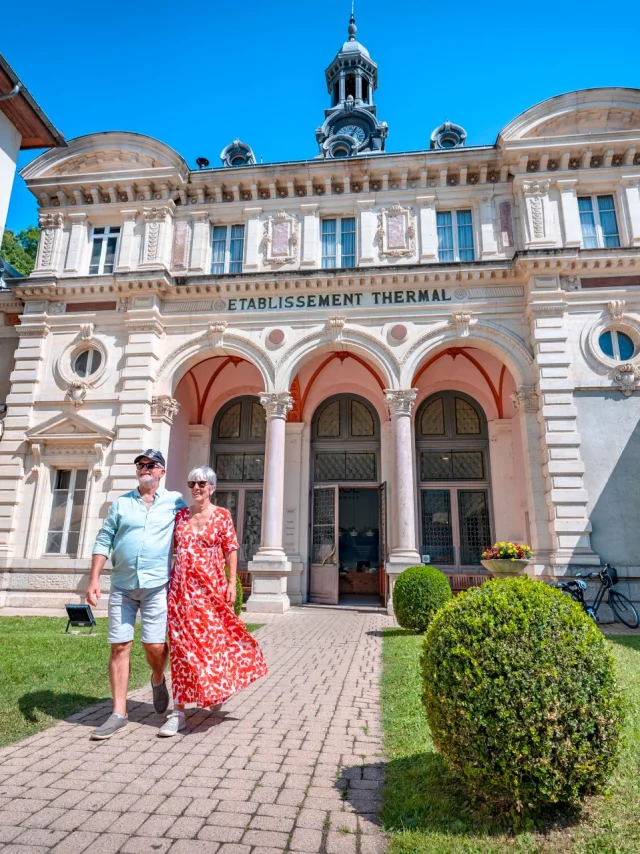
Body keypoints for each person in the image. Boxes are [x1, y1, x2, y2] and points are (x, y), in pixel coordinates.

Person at [159, 465, 268, 737]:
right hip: (182, 593)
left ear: (212, 487)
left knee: (212, 646)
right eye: (192, 483)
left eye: (202, 484)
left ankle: (216, 688)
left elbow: (230, 549)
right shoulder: (180, 516)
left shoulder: (222, 516)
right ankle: (179, 711)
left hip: (211, 592)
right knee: (182, 650)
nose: (196, 488)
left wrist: (232, 583)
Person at [86, 449, 187, 740]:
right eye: (140, 464)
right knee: (119, 646)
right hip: (122, 583)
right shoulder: (122, 503)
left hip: (157, 585)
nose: (145, 468)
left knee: (154, 646)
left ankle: (157, 677)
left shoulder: (174, 502)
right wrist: (94, 579)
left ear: (161, 471)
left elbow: (188, 535)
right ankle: (119, 712)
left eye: (151, 464)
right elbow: (104, 538)